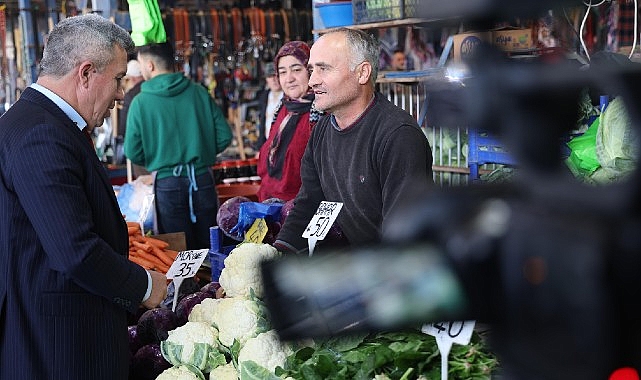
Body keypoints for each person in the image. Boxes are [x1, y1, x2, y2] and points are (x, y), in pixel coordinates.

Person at [0, 14, 167, 379]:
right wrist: (143, 286)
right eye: (119, 79)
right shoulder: (40, 134)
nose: (122, 93)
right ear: (86, 73)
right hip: (59, 347)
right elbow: (75, 252)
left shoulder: (44, 123)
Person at [273, 27, 433, 254]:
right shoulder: (321, 132)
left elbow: (403, 239)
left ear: (362, 73)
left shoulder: (398, 136)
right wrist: (278, 255)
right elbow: (309, 204)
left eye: (323, 69)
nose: (312, 82)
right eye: (311, 70)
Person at [124, 42, 233, 250]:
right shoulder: (199, 92)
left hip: (167, 183)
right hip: (202, 179)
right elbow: (224, 136)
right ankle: (214, 283)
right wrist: (203, 151)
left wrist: (159, 158)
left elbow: (132, 151)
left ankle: (187, 284)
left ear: (150, 66)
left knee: (178, 251)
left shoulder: (140, 102)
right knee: (211, 245)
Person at [256, 41, 323, 202]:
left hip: (301, 211)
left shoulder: (322, 112)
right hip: (270, 208)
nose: (289, 79)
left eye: (296, 70)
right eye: (283, 72)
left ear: (310, 71)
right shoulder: (282, 109)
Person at [115, 59, 145, 165]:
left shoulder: (131, 96)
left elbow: (123, 128)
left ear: (131, 78)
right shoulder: (153, 91)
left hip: (138, 151)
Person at [255, 61, 283, 150]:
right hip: (268, 144)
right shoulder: (264, 97)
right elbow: (262, 123)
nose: (274, 79)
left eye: (276, 75)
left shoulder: (288, 97)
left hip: (282, 145)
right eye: (270, 76)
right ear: (266, 79)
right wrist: (260, 147)